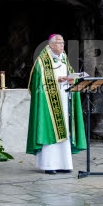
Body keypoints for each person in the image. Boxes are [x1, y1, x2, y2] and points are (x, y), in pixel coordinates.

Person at [26, 34, 86, 174]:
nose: (62, 45)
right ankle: (49, 165)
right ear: (51, 44)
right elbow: (37, 81)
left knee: (65, 129)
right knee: (50, 130)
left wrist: (72, 80)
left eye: (63, 43)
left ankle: (64, 164)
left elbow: (70, 73)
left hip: (65, 99)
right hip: (48, 102)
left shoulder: (64, 58)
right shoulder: (42, 60)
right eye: (59, 43)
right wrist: (57, 80)